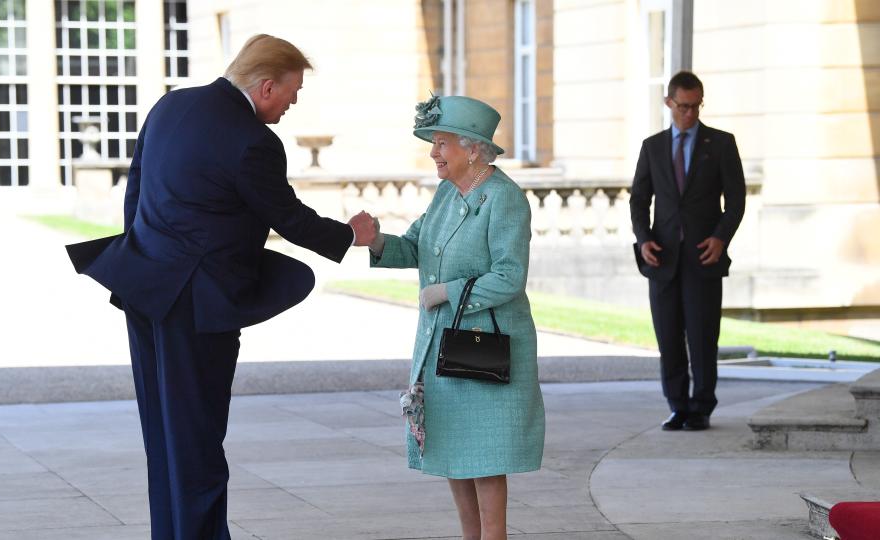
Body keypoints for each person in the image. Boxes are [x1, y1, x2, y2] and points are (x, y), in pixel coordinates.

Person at [65, 34, 377, 539]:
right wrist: (351, 234)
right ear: (266, 85)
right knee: (198, 438)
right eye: (292, 94)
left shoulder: (170, 105)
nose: (292, 105)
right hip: (198, 304)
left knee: (164, 435)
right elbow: (288, 217)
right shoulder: (253, 140)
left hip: (145, 287)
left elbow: (136, 192)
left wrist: (140, 258)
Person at [368, 95, 544, 540]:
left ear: (472, 148)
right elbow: (413, 245)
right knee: (452, 448)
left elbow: (509, 277)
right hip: (442, 343)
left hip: (485, 345)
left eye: (441, 143)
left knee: (485, 454)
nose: (433, 153)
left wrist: (446, 292)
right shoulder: (447, 193)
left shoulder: (504, 199)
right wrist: (374, 242)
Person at [629, 70, 746, 432]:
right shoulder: (653, 147)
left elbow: (737, 200)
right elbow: (639, 200)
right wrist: (644, 237)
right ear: (669, 103)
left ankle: (701, 407)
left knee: (702, 337)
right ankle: (678, 405)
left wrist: (720, 237)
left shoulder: (722, 144)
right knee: (669, 337)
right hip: (662, 259)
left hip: (703, 258)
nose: (690, 114)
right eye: (683, 106)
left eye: (696, 107)